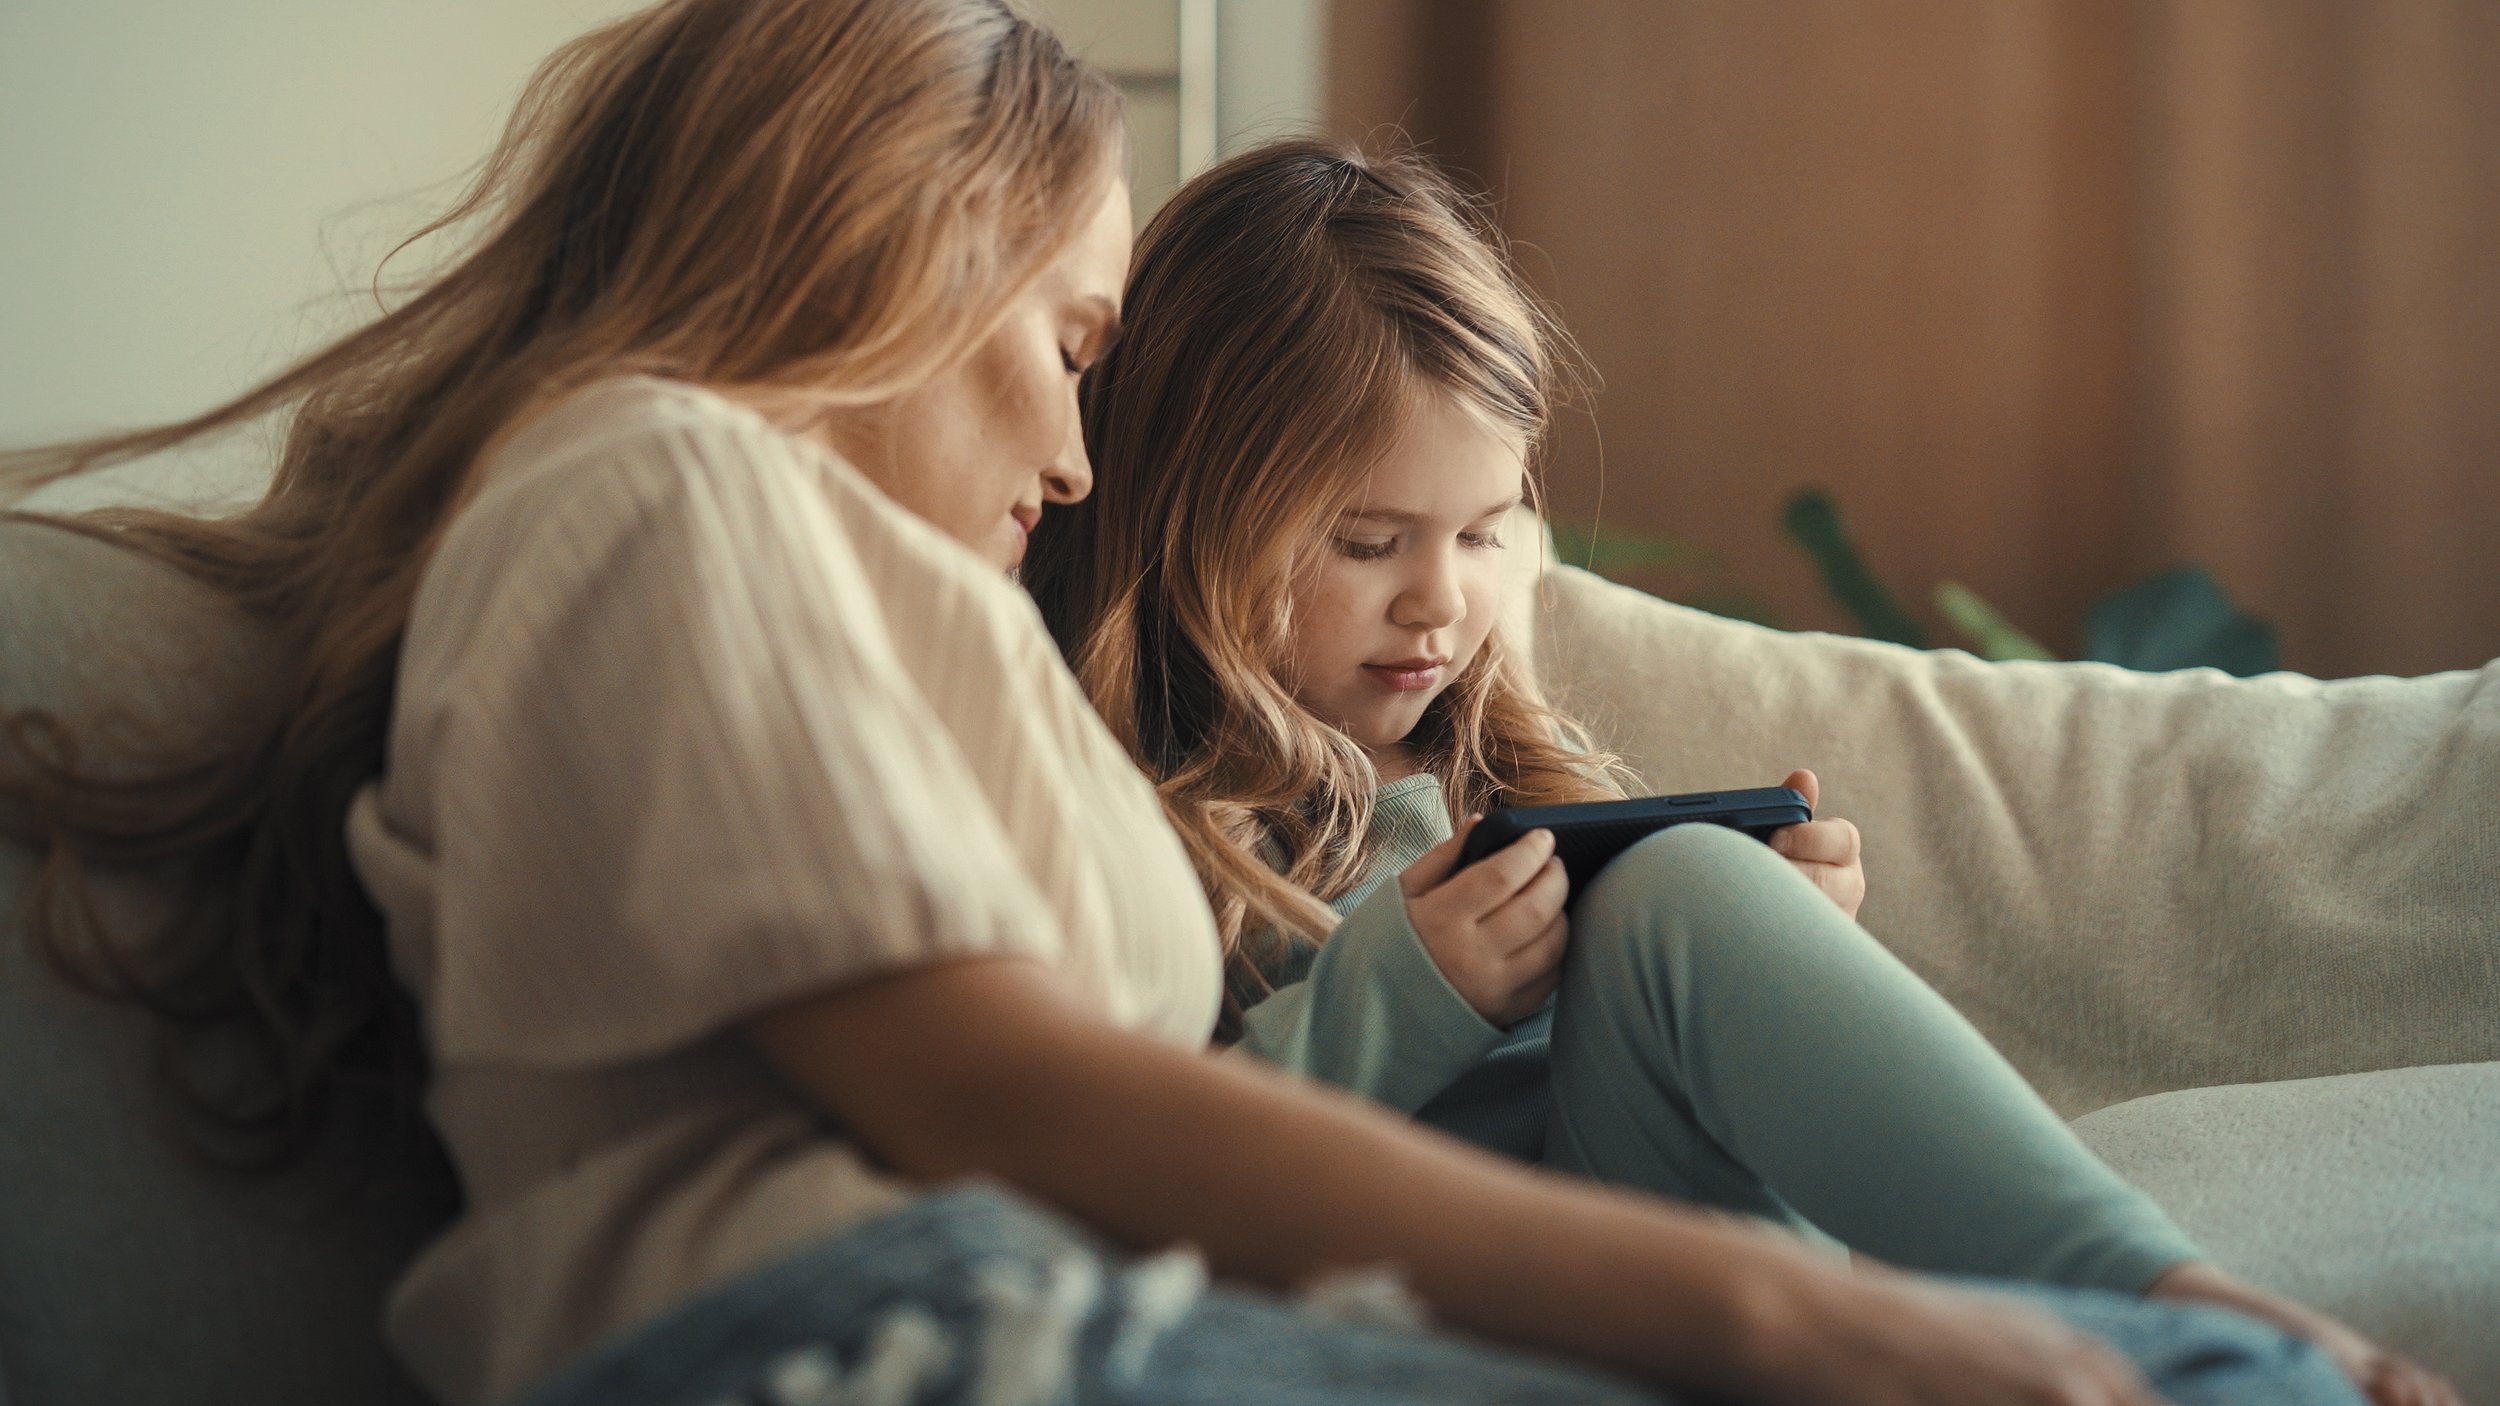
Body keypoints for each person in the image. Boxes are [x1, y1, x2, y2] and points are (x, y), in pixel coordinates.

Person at [0, 3, 2405, 1405]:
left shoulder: (851, 608)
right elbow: (1001, 1096)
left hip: (1014, 1307)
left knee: (2113, 1336)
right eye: (1064, 350)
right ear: (876, 260)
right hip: (884, 1337)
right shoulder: (650, 483)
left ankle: (2217, 1347)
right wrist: (1781, 1311)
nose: (1070, 456)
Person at [1024, 138, 2456, 1406]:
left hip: (1690, 1273)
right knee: (1682, 893)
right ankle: (2192, 1332)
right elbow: (1128, 1161)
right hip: (1441, 1311)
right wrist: (1408, 988)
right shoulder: (1117, 802)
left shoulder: (1490, 761)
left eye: (1480, 535)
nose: (1440, 605)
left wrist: (1765, 947)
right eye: (1366, 540)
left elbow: (1657, 1070)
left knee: (1690, 886)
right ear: (1188, 507)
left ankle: (2187, 1318)